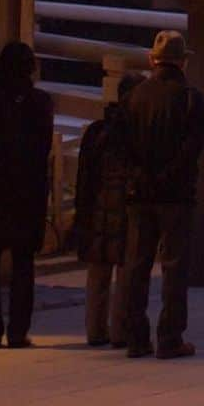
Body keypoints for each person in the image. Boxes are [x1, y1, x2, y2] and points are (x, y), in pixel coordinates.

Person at [120, 29, 204, 360]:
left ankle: (135, 337)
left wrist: (142, 175)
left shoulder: (133, 96)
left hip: (140, 194)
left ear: (151, 60)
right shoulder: (190, 98)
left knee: (136, 264)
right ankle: (170, 337)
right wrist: (167, 174)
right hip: (176, 194)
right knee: (174, 265)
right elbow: (192, 148)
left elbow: (122, 146)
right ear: (183, 62)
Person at [0, 41, 53, 349]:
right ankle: (17, 332)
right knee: (22, 266)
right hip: (25, 194)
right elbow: (43, 151)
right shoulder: (40, 103)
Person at [71, 71, 144, 347]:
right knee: (125, 273)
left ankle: (95, 329)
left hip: (96, 208)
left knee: (98, 272)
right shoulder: (138, 132)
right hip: (126, 210)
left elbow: (83, 176)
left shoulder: (97, 131)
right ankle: (120, 331)